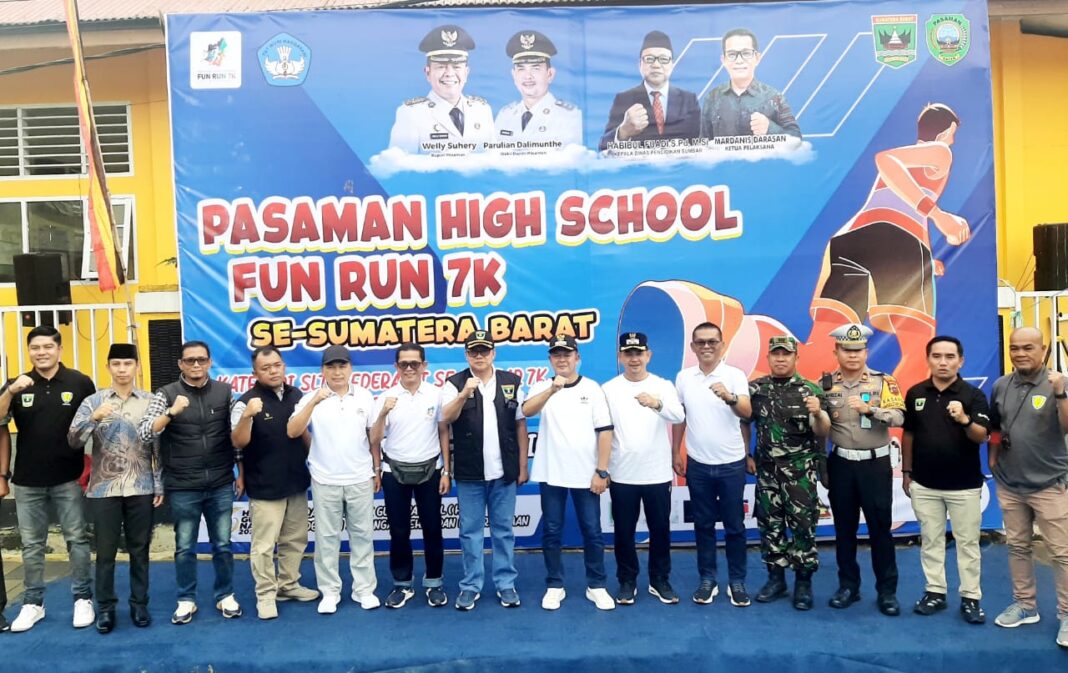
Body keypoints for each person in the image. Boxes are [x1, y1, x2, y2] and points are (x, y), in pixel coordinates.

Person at [801, 104, 970, 387]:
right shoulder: (940, 152)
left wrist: (927, 260)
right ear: (945, 132)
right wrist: (939, 215)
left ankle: (750, 339)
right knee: (919, 356)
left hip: (850, 243)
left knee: (819, 354)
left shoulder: (902, 176)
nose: (952, 141)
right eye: (952, 134)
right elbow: (885, 159)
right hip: (897, 247)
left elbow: (887, 214)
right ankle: (888, 414)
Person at [139, 340, 242, 624]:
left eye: (201, 360)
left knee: (223, 545)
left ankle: (225, 595)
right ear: (180, 364)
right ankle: (186, 599)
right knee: (185, 547)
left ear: (210, 362)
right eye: (190, 360)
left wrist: (240, 471)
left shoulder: (225, 392)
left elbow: (235, 436)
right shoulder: (165, 394)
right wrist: (171, 412)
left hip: (220, 482)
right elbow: (145, 433)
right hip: (183, 485)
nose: (196, 365)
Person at [0, 325, 95, 632]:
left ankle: (83, 597)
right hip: (28, 480)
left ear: (59, 349)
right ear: (29, 351)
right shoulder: (17, 384)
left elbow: (96, 424)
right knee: (31, 545)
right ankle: (33, 603)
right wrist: (10, 391)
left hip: (69, 477)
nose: (41, 352)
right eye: (35, 347)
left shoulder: (80, 382)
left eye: (47, 347)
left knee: (77, 539)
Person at [68, 344, 161, 633]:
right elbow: (73, 441)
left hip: (141, 486)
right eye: (116, 364)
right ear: (108, 367)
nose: (122, 369)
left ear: (137, 367)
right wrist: (93, 419)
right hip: (103, 488)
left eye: (127, 363)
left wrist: (159, 484)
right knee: (105, 553)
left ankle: (139, 603)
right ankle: (106, 608)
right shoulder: (93, 401)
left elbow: (158, 447)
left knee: (139, 549)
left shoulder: (150, 401)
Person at [988, 327, 1068, 648]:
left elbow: (1067, 427)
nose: (1020, 353)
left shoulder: (1058, 383)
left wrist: (1061, 393)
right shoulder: (1001, 385)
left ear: (1043, 349)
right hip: (1010, 483)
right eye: (1014, 347)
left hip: (1049, 484)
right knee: (1018, 547)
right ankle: (1025, 605)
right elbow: (996, 426)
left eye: (1027, 348)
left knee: (1062, 553)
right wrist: (993, 457)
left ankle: (1067, 614)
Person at [901, 336, 990, 624]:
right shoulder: (916, 393)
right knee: (931, 541)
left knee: (967, 544)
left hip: (964, 485)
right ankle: (935, 592)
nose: (943, 362)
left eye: (950, 356)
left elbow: (981, 436)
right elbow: (909, 433)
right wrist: (906, 472)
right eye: (936, 356)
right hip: (925, 484)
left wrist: (964, 419)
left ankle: (971, 598)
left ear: (960, 361)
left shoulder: (973, 395)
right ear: (928, 359)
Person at [524, 335, 615, 611]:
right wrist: (552, 390)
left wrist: (601, 470)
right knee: (552, 531)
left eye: (567, 354)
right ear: (550, 359)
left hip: (586, 474)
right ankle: (554, 585)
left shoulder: (592, 388)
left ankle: (596, 585)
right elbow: (527, 411)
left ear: (577, 357)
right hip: (551, 473)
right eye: (556, 354)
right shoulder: (542, 386)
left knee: (592, 531)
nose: (562, 359)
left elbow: (605, 431)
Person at [287, 345, 379, 614]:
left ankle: (364, 590)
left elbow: (373, 437)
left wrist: (377, 469)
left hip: (360, 477)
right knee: (327, 539)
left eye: (342, 366)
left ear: (350, 368)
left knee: (362, 536)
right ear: (322, 370)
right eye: (331, 367)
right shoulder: (310, 397)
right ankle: (330, 592)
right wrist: (314, 401)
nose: (337, 372)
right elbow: (292, 431)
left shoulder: (365, 396)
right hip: (325, 479)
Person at [440, 331, 528, 610]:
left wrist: (522, 466)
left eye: (484, 350)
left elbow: (520, 424)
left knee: (503, 531)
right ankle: (470, 585)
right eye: (473, 351)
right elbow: (446, 417)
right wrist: (464, 393)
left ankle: (506, 583)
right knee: (470, 532)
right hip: (470, 474)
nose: (479, 356)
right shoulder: (454, 383)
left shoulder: (511, 381)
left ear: (493, 353)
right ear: (467, 355)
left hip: (504, 473)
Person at [822, 323, 905, 616]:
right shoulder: (825, 385)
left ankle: (887, 592)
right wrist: (821, 464)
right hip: (841, 464)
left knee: (880, 529)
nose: (853, 355)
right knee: (844, 530)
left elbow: (900, 417)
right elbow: (819, 427)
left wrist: (872, 410)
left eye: (858, 350)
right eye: (847, 349)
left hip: (875, 464)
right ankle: (848, 586)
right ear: (836, 351)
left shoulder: (884, 382)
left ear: (866, 352)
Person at [231, 347, 318, 621]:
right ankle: (266, 595)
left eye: (277, 365)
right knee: (264, 546)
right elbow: (238, 442)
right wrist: (247, 416)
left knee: (295, 539)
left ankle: (288, 585)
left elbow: (302, 433)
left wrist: (316, 459)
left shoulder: (296, 395)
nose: (273, 371)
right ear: (255, 373)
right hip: (265, 484)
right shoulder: (246, 402)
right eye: (266, 367)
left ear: (284, 366)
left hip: (296, 481)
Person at [672, 322, 753, 607]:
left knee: (735, 526)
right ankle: (707, 580)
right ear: (693, 347)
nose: (706, 347)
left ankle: (737, 581)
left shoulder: (735, 375)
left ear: (722, 345)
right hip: (698, 465)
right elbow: (680, 417)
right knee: (703, 525)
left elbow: (747, 412)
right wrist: (676, 451)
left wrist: (730, 397)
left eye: (712, 342)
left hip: (731, 464)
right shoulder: (684, 377)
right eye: (701, 342)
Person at [748, 335, 830, 611]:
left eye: (786, 354)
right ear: (768, 357)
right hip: (767, 472)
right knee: (769, 526)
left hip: (799, 473)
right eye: (776, 354)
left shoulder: (811, 390)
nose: (781, 358)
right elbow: (744, 420)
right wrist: (747, 454)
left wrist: (817, 413)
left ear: (796, 357)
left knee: (803, 527)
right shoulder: (756, 389)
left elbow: (823, 431)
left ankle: (803, 583)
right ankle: (776, 579)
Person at [603, 332, 684, 605]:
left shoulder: (662, 385)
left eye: (639, 353)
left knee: (660, 529)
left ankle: (659, 579)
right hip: (622, 473)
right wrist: (603, 468)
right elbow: (602, 430)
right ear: (620, 356)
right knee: (623, 531)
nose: (634, 359)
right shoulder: (609, 389)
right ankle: (627, 580)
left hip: (657, 473)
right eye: (628, 353)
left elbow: (679, 416)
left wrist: (656, 403)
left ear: (648, 355)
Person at [371, 343, 450, 609]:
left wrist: (446, 470)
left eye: (414, 363)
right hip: (394, 471)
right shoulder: (386, 397)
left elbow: (444, 432)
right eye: (403, 364)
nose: (409, 368)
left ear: (424, 366)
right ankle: (402, 584)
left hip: (431, 470)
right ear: (396, 367)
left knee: (433, 528)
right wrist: (383, 412)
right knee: (399, 530)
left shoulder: (436, 394)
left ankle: (434, 583)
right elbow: (374, 438)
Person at [389, 24, 495, 155]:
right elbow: (399, 165)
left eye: (456, 66)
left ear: (466, 72)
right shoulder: (411, 114)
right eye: (441, 66)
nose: (449, 73)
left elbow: (493, 160)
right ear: (427, 73)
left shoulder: (482, 110)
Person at [598, 30, 700, 151]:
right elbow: (603, 147)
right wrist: (623, 131)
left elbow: (701, 143)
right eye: (649, 59)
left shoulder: (689, 100)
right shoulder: (624, 99)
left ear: (672, 65)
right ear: (640, 65)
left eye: (663, 59)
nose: (656, 65)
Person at [699, 27, 801, 139]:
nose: (739, 60)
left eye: (746, 53)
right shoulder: (712, 98)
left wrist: (769, 128)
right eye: (732, 54)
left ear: (757, 58)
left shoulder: (774, 97)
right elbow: (703, 143)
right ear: (724, 60)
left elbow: (796, 138)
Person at [494, 30, 582, 148]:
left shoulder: (569, 116)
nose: (528, 76)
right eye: (521, 69)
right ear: (514, 75)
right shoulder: (505, 116)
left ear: (550, 74)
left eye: (535, 68)